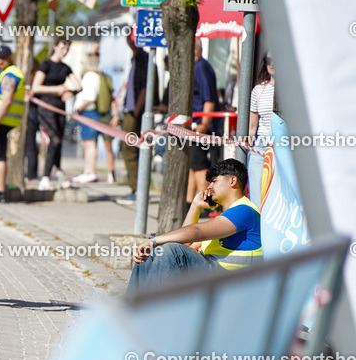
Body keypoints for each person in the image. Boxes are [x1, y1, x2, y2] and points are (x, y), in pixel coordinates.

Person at [126, 158, 262, 294]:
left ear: (232, 181)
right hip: (216, 274)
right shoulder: (227, 215)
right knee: (153, 254)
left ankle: (150, 306)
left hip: (232, 281)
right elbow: (185, 244)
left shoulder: (244, 210)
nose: (209, 187)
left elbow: (196, 232)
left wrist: (153, 241)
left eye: (214, 181)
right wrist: (195, 206)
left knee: (170, 251)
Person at [27, 38, 78, 189]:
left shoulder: (65, 68)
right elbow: (36, 87)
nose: (64, 52)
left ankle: (58, 170)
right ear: (55, 47)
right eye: (62, 48)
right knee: (54, 140)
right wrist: (57, 90)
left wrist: (70, 92)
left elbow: (78, 85)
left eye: (67, 49)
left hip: (60, 108)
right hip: (45, 107)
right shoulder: (46, 65)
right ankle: (45, 177)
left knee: (59, 141)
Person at [114, 34, 154, 203]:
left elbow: (145, 86)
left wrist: (137, 109)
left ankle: (137, 190)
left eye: (132, 39)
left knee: (130, 149)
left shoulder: (143, 58)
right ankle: (137, 189)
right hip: (131, 110)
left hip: (136, 111)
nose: (130, 42)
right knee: (132, 149)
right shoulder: (136, 58)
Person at [0, 45, 26, 204]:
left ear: (10, 58)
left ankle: (0, 191)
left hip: (1, 121)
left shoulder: (9, 75)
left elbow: (7, 100)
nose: (0, 61)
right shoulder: (12, 73)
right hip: (5, 120)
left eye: (4, 58)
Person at [187, 40, 222, 214]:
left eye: (193, 48)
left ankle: (206, 204)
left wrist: (204, 124)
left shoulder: (201, 68)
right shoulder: (198, 66)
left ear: (198, 49)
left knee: (200, 167)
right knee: (192, 166)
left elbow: (209, 99)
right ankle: (189, 203)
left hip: (201, 126)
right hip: (194, 125)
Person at [72, 55, 116, 184]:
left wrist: (79, 108)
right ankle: (88, 171)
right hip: (89, 112)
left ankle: (90, 172)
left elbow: (90, 97)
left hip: (88, 112)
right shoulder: (95, 76)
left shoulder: (90, 76)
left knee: (90, 143)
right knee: (87, 143)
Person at [249, 52, 277, 146]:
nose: (272, 63)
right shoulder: (258, 90)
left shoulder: (291, 91)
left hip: (283, 143)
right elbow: (252, 127)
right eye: (268, 60)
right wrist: (249, 146)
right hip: (261, 143)